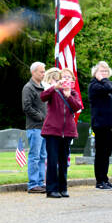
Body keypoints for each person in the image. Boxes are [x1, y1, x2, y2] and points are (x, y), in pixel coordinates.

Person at [40, 68, 82, 198]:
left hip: (67, 132)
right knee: (52, 160)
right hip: (52, 131)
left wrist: (68, 96)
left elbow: (77, 107)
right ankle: (51, 189)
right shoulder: (54, 91)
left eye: (69, 77)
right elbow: (43, 97)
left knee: (64, 161)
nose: (66, 79)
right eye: (64, 77)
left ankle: (63, 188)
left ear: (72, 81)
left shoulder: (74, 94)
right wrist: (54, 87)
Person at [88, 61, 112, 190]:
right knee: (101, 153)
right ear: (95, 73)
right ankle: (99, 181)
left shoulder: (108, 83)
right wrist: (103, 79)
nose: (104, 74)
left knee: (107, 153)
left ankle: (105, 179)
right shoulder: (95, 85)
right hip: (101, 124)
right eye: (101, 71)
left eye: (106, 71)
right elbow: (108, 89)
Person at [21, 62, 47, 193]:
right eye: (41, 72)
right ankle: (32, 184)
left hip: (44, 128)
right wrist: (41, 117)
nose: (43, 74)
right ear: (33, 72)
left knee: (43, 156)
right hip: (35, 127)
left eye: (44, 72)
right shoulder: (28, 88)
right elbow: (27, 107)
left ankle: (41, 182)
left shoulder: (42, 87)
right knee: (35, 156)